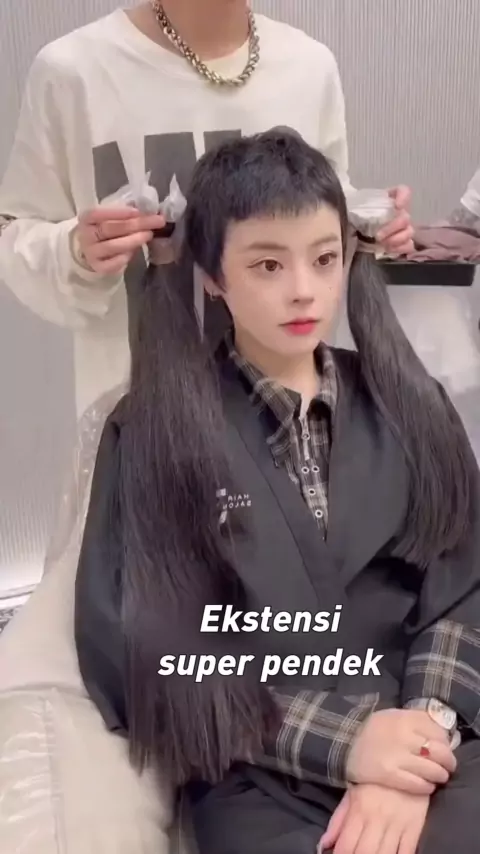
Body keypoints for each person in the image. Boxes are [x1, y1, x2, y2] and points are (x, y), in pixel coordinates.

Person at [74, 130, 480, 854]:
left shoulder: (414, 404)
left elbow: (463, 590)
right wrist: (347, 742)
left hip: (432, 742)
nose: (303, 289)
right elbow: (144, 648)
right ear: (212, 276)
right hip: (258, 770)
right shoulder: (149, 432)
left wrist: (417, 741)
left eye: (324, 258)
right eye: (267, 264)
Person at [0, 0, 413, 417]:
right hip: (139, 417)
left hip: (288, 419)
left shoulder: (308, 69)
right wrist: (78, 250)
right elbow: (17, 233)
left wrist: (370, 231)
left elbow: (322, 224)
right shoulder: (74, 73)